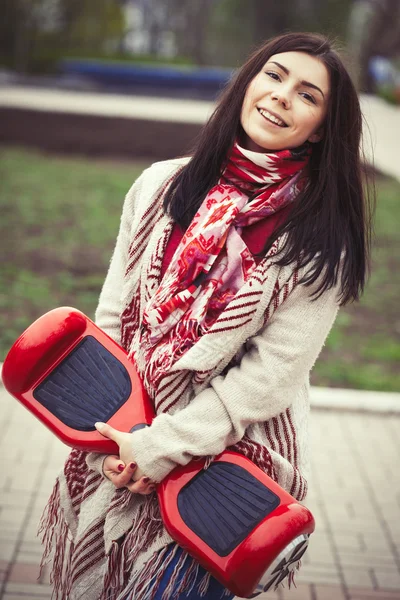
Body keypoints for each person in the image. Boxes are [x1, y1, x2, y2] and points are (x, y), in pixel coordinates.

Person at [39, 32, 373, 600]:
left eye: (307, 95)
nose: (281, 96)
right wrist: (117, 437)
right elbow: (115, 316)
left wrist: (163, 446)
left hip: (219, 468)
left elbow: (268, 380)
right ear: (247, 83)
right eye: (273, 75)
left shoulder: (320, 238)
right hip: (122, 437)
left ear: (321, 128)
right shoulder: (160, 184)